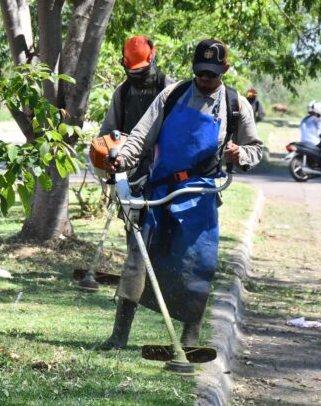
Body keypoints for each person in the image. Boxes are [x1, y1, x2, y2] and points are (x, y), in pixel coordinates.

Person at [102, 39, 263, 349]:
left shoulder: (235, 105)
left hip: (200, 195)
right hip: (159, 189)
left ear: (225, 70)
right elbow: (140, 138)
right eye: (200, 73)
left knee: (198, 262)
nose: (205, 80)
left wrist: (239, 154)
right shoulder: (172, 95)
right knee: (138, 257)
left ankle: (190, 342)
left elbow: (255, 150)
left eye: (212, 75)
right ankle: (119, 336)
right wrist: (122, 157)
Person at [99, 35, 175, 180]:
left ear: (152, 58)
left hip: (164, 170)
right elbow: (107, 131)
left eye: (142, 71)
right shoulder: (123, 92)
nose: (139, 76)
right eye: (135, 72)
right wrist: (106, 158)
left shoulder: (168, 87)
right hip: (128, 168)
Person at [299, 100, 321, 169]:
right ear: (318, 109)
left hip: (303, 141)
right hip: (314, 142)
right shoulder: (316, 119)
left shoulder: (304, 119)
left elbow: (310, 131)